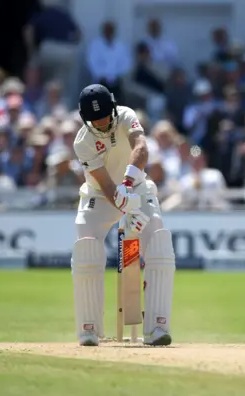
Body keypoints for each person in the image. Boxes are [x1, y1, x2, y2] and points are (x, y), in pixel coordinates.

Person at [71, 84, 175, 347]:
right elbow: (106, 186)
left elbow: (141, 147)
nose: (103, 123)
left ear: (114, 108)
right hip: (99, 196)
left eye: (106, 115)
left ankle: (157, 328)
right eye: (96, 119)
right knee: (86, 247)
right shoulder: (83, 142)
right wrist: (122, 203)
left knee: (159, 240)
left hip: (136, 187)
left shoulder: (127, 115)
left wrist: (129, 187)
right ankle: (89, 329)